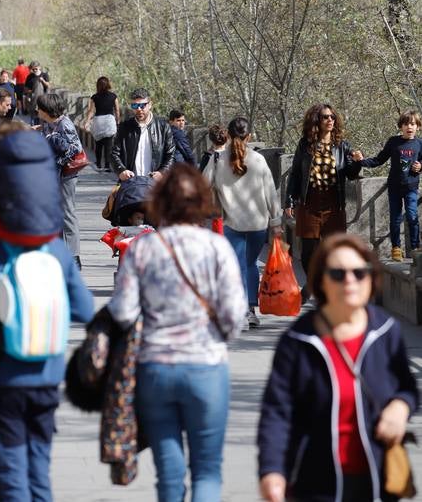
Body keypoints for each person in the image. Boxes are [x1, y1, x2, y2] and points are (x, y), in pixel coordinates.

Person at [0, 129, 94, 501]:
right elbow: (85, 308)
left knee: (9, 473)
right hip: (45, 374)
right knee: (38, 468)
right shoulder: (54, 249)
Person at [109, 164, 246, 501]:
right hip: (206, 366)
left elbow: (123, 313)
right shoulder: (216, 249)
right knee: (207, 471)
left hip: (156, 368)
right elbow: (233, 317)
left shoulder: (143, 249)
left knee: (169, 476)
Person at [258, 233, 419, 502]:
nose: (349, 281)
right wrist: (272, 471)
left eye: (359, 272)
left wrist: (400, 407)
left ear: (371, 278)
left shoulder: (385, 331)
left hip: (378, 480)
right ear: (321, 280)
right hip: (315, 483)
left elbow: (407, 387)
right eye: (337, 273)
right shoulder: (299, 340)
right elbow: (277, 413)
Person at [204, 116, 282, 329]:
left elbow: (202, 185)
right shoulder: (259, 160)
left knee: (237, 265)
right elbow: (270, 194)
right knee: (250, 264)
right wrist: (276, 222)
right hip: (258, 224)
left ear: (228, 135)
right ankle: (250, 310)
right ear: (249, 136)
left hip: (232, 223)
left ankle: (241, 311)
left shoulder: (218, 159)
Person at [286, 102, 361, 301]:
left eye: (332, 117)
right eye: (325, 117)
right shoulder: (305, 145)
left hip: (333, 205)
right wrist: (289, 201)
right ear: (316, 121)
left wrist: (358, 162)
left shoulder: (342, 146)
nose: (330, 120)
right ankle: (312, 284)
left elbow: (351, 174)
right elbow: (295, 174)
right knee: (308, 253)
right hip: (310, 203)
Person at [352, 110, 422, 262]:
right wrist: (361, 161)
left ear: (418, 126)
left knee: (412, 216)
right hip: (395, 187)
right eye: (405, 124)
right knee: (395, 218)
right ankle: (396, 248)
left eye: (412, 124)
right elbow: (379, 160)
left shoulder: (419, 143)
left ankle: (416, 247)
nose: (409, 127)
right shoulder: (393, 142)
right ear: (401, 126)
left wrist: (420, 166)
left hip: (411, 187)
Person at [37, 93, 83, 269]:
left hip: (66, 175)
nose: (37, 110)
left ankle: (74, 256)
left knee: (67, 212)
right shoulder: (48, 123)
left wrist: (57, 162)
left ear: (47, 110)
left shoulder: (65, 124)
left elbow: (75, 148)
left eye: (40, 108)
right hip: (52, 175)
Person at [111, 87, 176, 182]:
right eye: (135, 106)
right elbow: (114, 153)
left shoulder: (163, 127)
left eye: (142, 105)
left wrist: (162, 172)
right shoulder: (124, 127)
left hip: (155, 185)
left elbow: (171, 154)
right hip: (131, 184)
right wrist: (121, 170)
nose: (139, 109)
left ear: (150, 104)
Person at [83, 76, 120, 170]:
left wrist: (87, 122)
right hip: (109, 121)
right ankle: (107, 166)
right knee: (109, 145)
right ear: (108, 84)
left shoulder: (94, 97)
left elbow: (91, 111)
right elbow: (117, 110)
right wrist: (118, 121)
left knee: (98, 144)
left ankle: (98, 164)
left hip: (98, 121)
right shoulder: (113, 96)